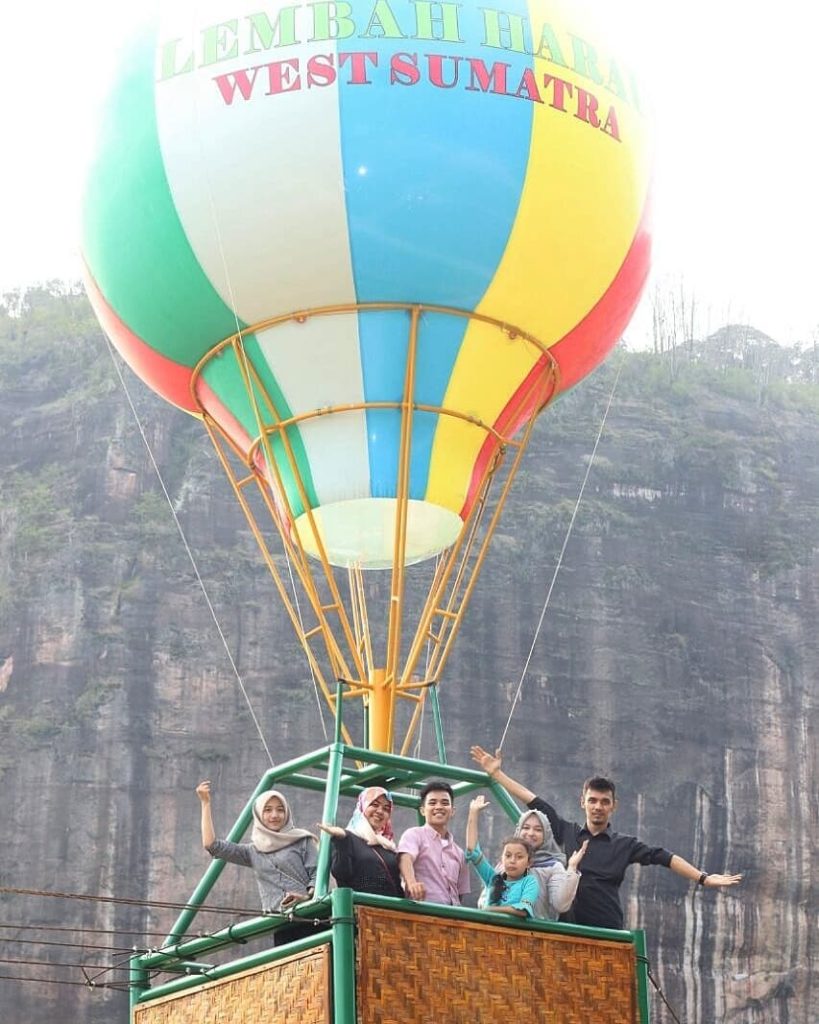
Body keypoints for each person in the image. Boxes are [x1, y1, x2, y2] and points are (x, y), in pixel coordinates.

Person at [470, 747, 743, 931]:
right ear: (583, 802)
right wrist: (496, 773)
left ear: (614, 805)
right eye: (592, 800)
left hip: (606, 928)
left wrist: (703, 878)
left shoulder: (624, 845)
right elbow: (532, 800)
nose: (597, 806)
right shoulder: (567, 832)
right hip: (567, 927)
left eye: (604, 801)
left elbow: (664, 857)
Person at [196, 781, 318, 943]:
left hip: (312, 917)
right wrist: (205, 803)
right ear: (259, 815)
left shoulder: (303, 840)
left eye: (280, 810)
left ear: (287, 813)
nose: (274, 815)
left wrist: (304, 897)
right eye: (267, 810)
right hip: (281, 924)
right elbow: (211, 845)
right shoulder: (253, 851)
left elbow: (318, 875)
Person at [317, 786, 403, 897]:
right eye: (374, 805)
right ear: (363, 806)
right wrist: (341, 840)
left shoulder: (388, 845)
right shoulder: (348, 838)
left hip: (392, 910)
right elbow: (341, 873)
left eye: (386, 809)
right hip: (362, 908)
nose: (380, 811)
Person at [465, 795, 540, 918]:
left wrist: (491, 909)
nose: (512, 861)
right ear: (501, 858)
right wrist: (473, 812)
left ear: (529, 862)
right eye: (508, 855)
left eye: (519, 857)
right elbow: (472, 850)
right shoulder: (493, 879)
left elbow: (522, 911)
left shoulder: (529, 882)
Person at [397, 781, 470, 906]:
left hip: (451, 917)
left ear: (452, 811)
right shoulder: (414, 835)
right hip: (422, 912)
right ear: (423, 810)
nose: (439, 807)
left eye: (445, 803)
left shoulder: (459, 853)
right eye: (432, 803)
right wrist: (412, 883)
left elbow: (460, 891)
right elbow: (405, 858)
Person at [513, 807, 588, 919]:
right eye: (526, 828)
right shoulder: (508, 860)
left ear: (546, 835)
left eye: (538, 830)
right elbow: (487, 896)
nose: (530, 833)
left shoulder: (552, 866)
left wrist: (572, 868)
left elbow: (561, 905)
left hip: (536, 931)